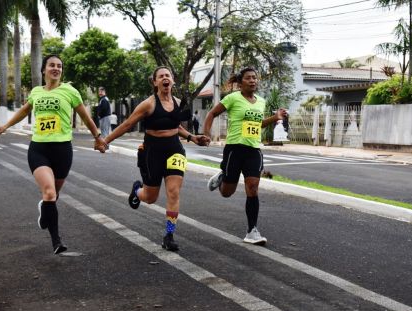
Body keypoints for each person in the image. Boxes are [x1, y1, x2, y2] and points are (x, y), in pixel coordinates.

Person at [0, 54, 106, 255]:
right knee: (50, 192)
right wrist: (5, 126)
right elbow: (24, 110)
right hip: (39, 149)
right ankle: (56, 241)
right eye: (52, 65)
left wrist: (98, 137)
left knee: (53, 195)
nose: (56, 68)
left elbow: (86, 117)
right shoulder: (36, 92)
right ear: (44, 70)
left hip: (62, 150)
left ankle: (45, 211)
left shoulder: (70, 91)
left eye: (59, 66)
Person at [96, 66, 210, 251]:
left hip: (175, 150)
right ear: (155, 82)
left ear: (172, 81)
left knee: (173, 192)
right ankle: (136, 191)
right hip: (152, 152)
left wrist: (192, 137)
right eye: (161, 76)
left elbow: (176, 127)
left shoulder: (178, 103)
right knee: (150, 197)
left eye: (168, 76)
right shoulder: (148, 104)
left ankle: (169, 235)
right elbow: (127, 124)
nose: (165, 78)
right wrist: (106, 140)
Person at [203, 67, 288, 245]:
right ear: (241, 82)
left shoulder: (261, 102)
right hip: (234, 149)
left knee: (253, 187)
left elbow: (258, 124)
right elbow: (212, 114)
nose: (253, 81)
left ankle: (252, 231)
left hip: (254, 150)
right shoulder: (233, 98)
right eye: (249, 78)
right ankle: (222, 176)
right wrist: (206, 133)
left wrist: (275, 117)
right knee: (227, 193)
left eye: (255, 78)